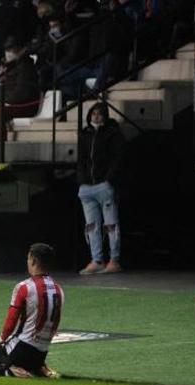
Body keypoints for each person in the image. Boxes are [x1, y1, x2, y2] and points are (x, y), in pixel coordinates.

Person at [0, 243, 62, 378]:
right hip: (41, 353)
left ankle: (9, 370)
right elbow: (54, 325)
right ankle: (38, 368)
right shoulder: (58, 290)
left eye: (28, 259)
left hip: (19, 349)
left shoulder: (24, 287)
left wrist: (1, 340)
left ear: (33, 261)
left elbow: (12, 319)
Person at [77, 102, 124, 275]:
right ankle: (96, 259)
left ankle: (114, 259)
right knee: (91, 226)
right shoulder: (85, 134)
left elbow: (117, 159)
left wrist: (108, 180)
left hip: (104, 186)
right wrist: (81, 181)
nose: (96, 116)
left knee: (111, 225)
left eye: (99, 113)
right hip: (87, 187)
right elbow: (81, 159)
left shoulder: (113, 134)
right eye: (93, 113)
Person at [0, 37, 40, 140]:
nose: (8, 53)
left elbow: (22, 93)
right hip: (7, 103)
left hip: (23, 105)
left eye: (11, 50)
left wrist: (1, 103)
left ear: (21, 50)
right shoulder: (8, 67)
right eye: (7, 50)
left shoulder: (26, 66)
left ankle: (1, 146)